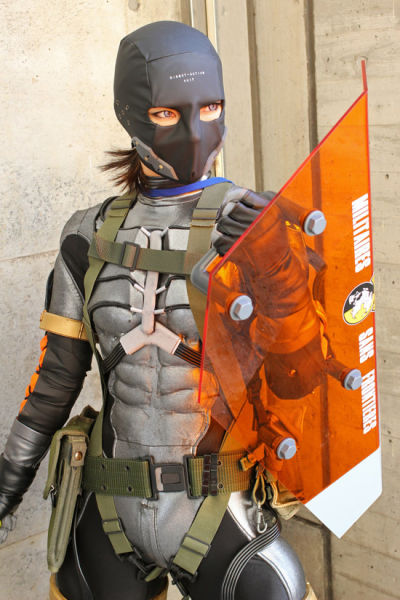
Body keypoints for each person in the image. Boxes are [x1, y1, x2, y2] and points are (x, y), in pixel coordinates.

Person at [0, 21, 318, 600]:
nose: (195, 131)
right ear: (131, 113)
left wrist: (278, 268)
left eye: (211, 107)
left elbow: (300, 378)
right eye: (168, 113)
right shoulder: (88, 235)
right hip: (106, 504)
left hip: (219, 505)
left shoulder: (259, 228)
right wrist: (7, 483)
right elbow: (56, 380)